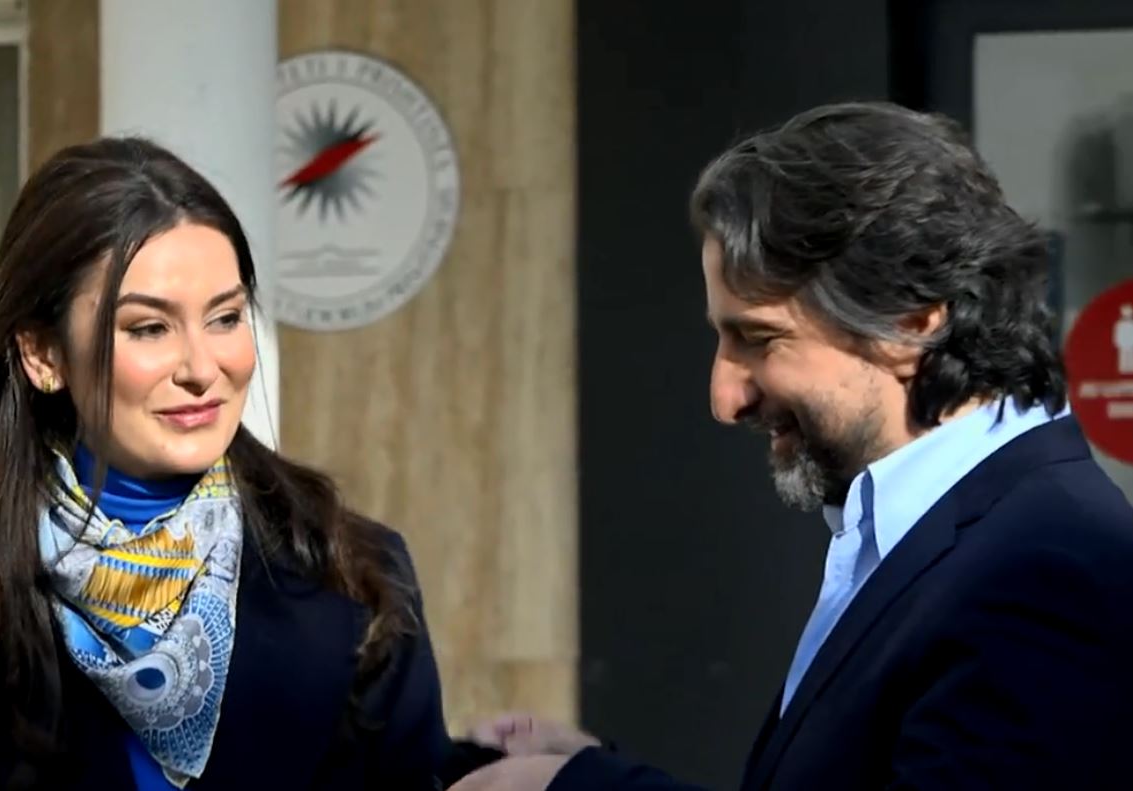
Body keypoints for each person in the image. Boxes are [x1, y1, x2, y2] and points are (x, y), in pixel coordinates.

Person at [453, 102, 1133, 790]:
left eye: (758, 339)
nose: (725, 398)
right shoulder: (932, 535)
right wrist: (585, 767)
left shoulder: (1048, 568)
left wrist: (579, 788)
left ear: (912, 321)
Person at [0, 137, 463, 790]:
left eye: (225, 317)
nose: (202, 368)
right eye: (149, 328)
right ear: (43, 355)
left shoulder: (355, 578)